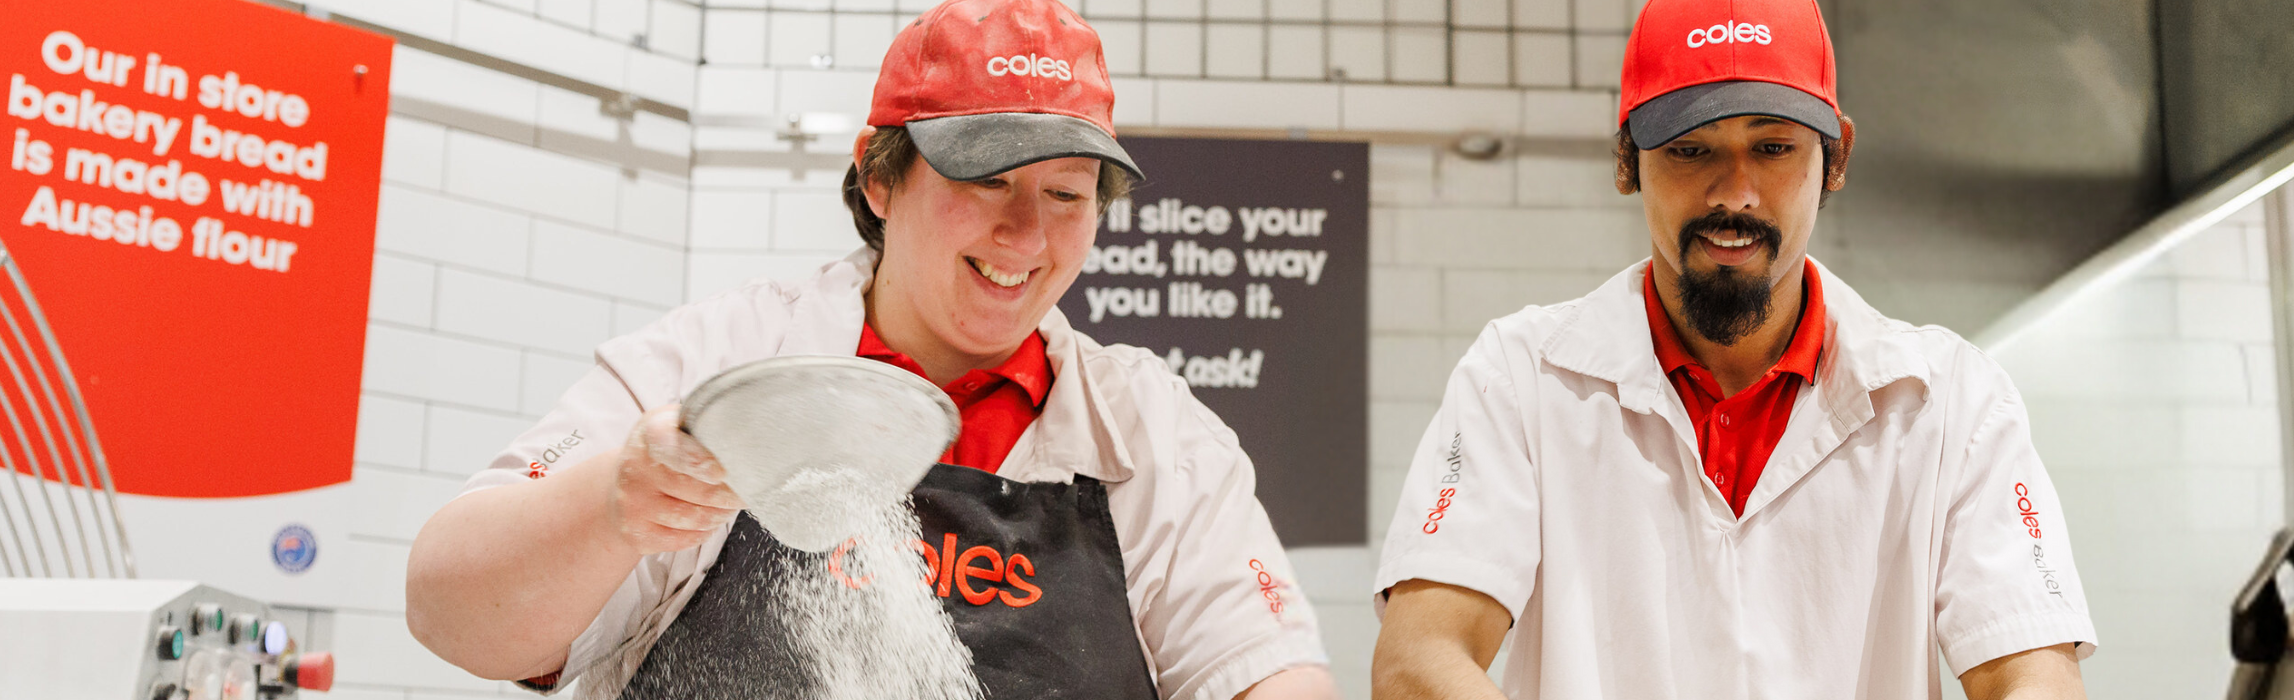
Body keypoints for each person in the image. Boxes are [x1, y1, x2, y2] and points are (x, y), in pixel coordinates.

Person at [402, 1, 1338, 697]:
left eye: (1067, 193)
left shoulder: (1152, 434)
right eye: (988, 180)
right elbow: (450, 613)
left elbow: (1266, 674)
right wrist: (618, 504)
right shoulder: (720, 362)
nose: (1025, 234)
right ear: (879, 178)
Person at [1368, 0, 2098, 698]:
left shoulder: (1952, 402)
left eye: (1773, 147)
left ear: (1836, 156)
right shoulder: (1521, 379)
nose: (1735, 192)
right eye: (1691, 149)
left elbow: (2030, 673)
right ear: (1627, 161)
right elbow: (1421, 661)